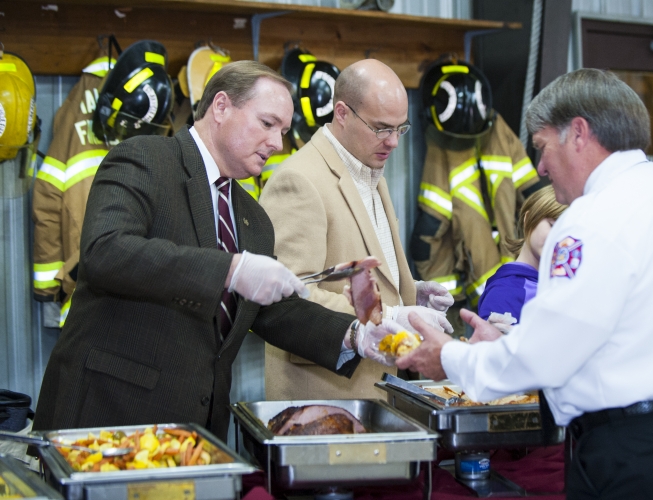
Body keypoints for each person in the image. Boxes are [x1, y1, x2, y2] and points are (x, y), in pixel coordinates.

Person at [397, 68, 653, 499]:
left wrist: (452, 358)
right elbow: (623, 325)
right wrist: (514, 340)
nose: (541, 167)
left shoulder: (591, 218)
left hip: (648, 449)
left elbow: (551, 355)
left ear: (578, 133)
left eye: (543, 147)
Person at [33, 61, 401, 442]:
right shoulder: (144, 159)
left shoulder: (252, 218)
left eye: (285, 131)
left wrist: (354, 336)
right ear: (221, 107)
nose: (277, 143)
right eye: (267, 124)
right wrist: (231, 269)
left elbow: (274, 312)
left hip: (196, 433)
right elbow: (105, 252)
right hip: (108, 418)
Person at [259, 59, 453, 400]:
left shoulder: (369, 169)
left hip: (375, 391)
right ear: (342, 113)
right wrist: (392, 314)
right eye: (381, 128)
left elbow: (360, 271)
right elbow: (286, 299)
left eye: (400, 129)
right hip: (322, 400)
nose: (393, 142)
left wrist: (410, 292)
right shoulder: (299, 180)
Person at [477, 185, 566, 324]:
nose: (557, 238)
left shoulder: (559, 284)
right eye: (552, 225)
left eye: (566, 232)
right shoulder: (505, 292)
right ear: (528, 218)